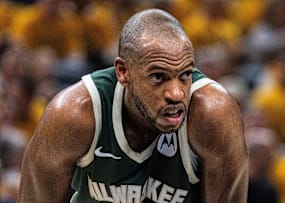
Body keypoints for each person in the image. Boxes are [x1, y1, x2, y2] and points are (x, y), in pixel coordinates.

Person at [18, 8, 249, 203]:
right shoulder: (74, 113)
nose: (176, 93)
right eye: (159, 77)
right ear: (123, 71)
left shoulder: (213, 114)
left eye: (185, 74)